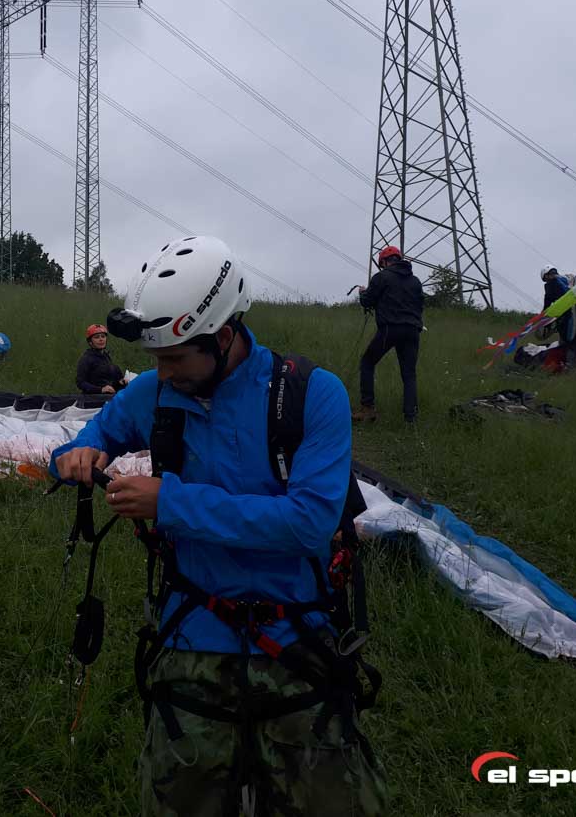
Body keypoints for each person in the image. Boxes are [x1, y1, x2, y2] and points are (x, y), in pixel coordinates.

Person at [51, 236, 386, 817]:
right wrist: (80, 453)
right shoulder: (154, 392)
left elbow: (308, 525)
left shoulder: (310, 395)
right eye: (156, 358)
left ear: (224, 336)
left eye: (176, 359)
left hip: (297, 637)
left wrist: (170, 502)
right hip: (193, 632)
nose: (161, 373)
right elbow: (96, 433)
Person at [353, 245, 424, 423]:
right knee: (409, 374)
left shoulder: (382, 277)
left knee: (367, 362)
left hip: (390, 329)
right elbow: (419, 305)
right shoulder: (415, 281)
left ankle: (367, 409)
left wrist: (362, 294)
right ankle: (411, 418)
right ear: (399, 259)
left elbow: (368, 301)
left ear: (384, 262)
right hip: (413, 330)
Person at [540, 265, 576, 368]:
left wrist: (545, 321)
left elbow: (549, 304)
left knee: (571, 342)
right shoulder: (572, 279)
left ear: (546, 276)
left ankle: (572, 367)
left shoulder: (553, 283)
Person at [76, 323, 127, 395]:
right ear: (90, 342)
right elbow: (80, 382)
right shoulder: (86, 359)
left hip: (107, 398)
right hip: (92, 399)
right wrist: (100, 390)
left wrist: (119, 383)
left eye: (103, 336)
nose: (101, 339)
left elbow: (108, 384)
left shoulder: (106, 357)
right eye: (97, 337)